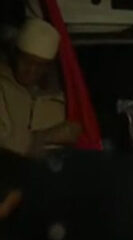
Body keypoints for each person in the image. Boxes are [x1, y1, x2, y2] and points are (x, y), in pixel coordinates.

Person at [0, 18, 81, 156]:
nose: (31, 70)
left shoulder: (62, 99)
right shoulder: (3, 87)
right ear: (16, 55)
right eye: (26, 61)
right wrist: (42, 137)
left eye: (40, 65)